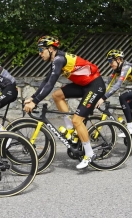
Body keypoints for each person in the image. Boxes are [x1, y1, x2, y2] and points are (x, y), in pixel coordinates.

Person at [23, 35, 105, 169]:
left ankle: (89, 154)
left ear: (50, 49)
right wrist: (33, 97)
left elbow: (50, 84)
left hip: (95, 86)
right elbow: (46, 80)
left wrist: (35, 102)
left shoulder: (59, 59)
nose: (39, 53)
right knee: (57, 95)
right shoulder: (56, 59)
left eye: (41, 50)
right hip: (84, 85)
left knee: (77, 120)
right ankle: (70, 130)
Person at [95, 49, 132, 137]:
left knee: (122, 97)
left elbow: (118, 85)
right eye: (108, 61)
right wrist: (98, 96)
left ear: (118, 59)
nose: (109, 64)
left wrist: (103, 98)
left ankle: (130, 127)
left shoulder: (126, 67)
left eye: (110, 61)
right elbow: (108, 84)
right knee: (127, 107)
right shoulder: (117, 70)